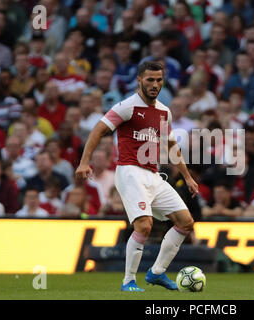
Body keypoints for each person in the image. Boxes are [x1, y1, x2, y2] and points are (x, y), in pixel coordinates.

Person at [75, 61, 198, 292]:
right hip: (130, 171)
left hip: (154, 175)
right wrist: (84, 162)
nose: (155, 84)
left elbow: (171, 146)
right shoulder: (127, 106)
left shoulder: (164, 111)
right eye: (150, 80)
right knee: (144, 225)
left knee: (185, 222)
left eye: (159, 80)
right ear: (139, 80)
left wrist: (188, 177)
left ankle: (157, 272)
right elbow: (98, 130)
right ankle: (128, 281)